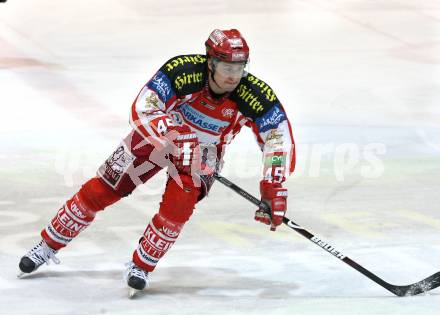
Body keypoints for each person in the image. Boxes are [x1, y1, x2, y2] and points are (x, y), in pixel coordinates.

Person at [18, 29, 296, 293]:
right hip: (156, 137)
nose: (234, 76)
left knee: (179, 206)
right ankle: (47, 245)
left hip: (204, 154)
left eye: (239, 68)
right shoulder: (181, 70)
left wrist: (273, 186)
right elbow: (143, 106)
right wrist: (175, 135)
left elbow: (278, 138)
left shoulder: (255, 94)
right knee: (101, 190)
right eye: (227, 68)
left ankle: (141, 266)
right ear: (210, 62)